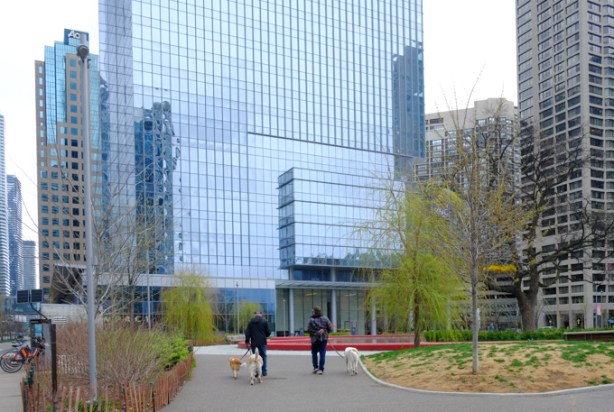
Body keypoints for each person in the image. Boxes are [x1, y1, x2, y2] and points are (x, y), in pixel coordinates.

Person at [307, 306, 333, 375]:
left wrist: (316, 332)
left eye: (312, 311)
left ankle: (315, 367)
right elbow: (330, 329)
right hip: (323, 338)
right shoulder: (325, 318)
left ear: (314, 312)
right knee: (322, 353)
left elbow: (309, 330)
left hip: (314, 339)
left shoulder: (311, 320)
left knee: (314, 353)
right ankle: (321, 369)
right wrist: (324, 330)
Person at [245, 311, 271, 376]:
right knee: (263, 357)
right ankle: (264, 371)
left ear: (255, 315)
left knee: (255, 358)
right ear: (261, 314)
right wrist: (264, 334)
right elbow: (268, 332)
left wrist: (247, 342)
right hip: (262, 342)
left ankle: (256, 372)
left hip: (254, 343)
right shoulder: (264, 321)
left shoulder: (250, 322)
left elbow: (247, 333)